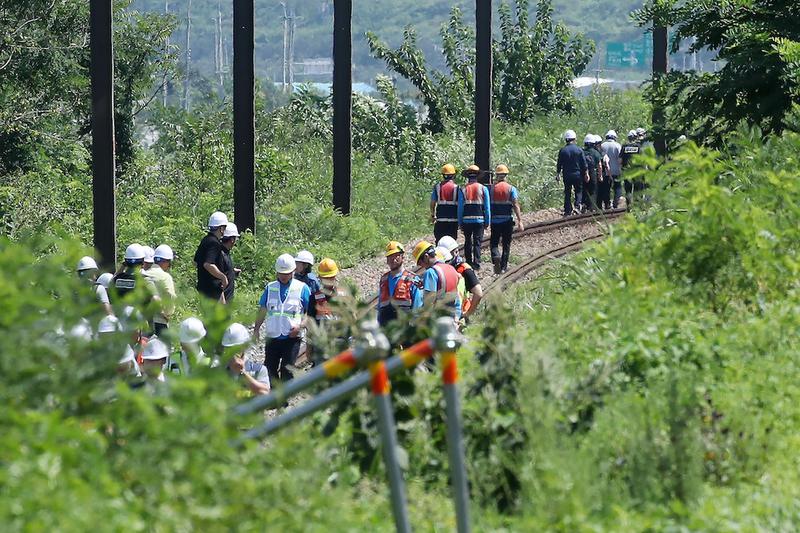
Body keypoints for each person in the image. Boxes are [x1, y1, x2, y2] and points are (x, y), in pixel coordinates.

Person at [254, 254, 311, 384]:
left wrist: (301, 326)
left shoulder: (302, 288)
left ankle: (284, 401)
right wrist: (256, 329)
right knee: (269, 368)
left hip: (291, 338)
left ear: (293, 271)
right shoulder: (270, 287)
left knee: (287, 371)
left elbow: (310, 312)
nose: (283, 276)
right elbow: (263, 309)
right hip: (272, 337)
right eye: (281, 273)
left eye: (286, 273)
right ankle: (274, 398)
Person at [412, 241, 462, 321]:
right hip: (453, 317)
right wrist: (457, 318)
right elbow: (456, 297)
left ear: (426, 256)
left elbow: (428, 304)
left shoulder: (430, 273)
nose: (421, 266)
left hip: (438, 320)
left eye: (420, 262)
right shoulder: (451, 269)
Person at [377, 241, 423, 327]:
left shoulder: (412, 279)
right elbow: (380, 305)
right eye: (390, 256)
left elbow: (418, 305)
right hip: (386, 327)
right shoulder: (384, 279)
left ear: (402, 257)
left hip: (404, 328)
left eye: (396, 256)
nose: (392, 259)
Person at [489, 164, 524, 274]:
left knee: (494, 243)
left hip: (495, 221)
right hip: (507, 221)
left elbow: (488, 205)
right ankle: (503, 267)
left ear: (497, 175)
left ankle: (496, 257)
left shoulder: (491, 189)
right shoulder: (511, 189)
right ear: (506, 175)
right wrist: (520, 220)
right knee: (506, 244)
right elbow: (515, 205)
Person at [438, 235, 483, 320]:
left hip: (461, 314)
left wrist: (467, 314)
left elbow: (478, 293)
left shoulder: (464, 269)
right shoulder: (446, 268)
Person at [457, 165, 491, 270]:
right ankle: (477, 262)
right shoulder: (483, 188)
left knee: (467, 241)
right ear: (477, 176)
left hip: (466, 220)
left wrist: (460, 222)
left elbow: (460, 208)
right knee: (477, 242)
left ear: (467, 176)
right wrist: (487, 221)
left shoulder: (463, 189)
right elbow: (487, 207)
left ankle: (468, 262)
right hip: (479, 219)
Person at [223, 322, 270, 395]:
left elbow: (265, 393)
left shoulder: (258, 370)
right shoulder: (220, 371)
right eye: (228, 348)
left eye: (236, 348)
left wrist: (242, 372)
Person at [194, 211, 229, 302]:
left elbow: (196, 261)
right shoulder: (214, 243)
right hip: (212, 291)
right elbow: (208, 264)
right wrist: (223, 277)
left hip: (206, 289)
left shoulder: (205, 240)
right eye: (224, 228)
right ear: (221, 228)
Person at [142, 244, 176, 337]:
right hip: (160, 322)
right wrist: (166, 315)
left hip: (144, 322)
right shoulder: (166, 277)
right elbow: (170, 297)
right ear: (165, 262)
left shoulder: (144, 274)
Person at [556, 130, 589, 216]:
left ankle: (567, 209)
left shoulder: (562, 151)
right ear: (574, 139)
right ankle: (577, 206)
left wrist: (558, 174)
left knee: (567, 192)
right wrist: (586, 173)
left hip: (566, 175)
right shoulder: (579, 150)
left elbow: (559, 164)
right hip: (577, 174)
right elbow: (584, 163)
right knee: (578, 191)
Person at [430, 164, 461, 242]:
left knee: (439, 241)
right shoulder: (457, 188)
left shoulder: (437, 187)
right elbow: (460, 205)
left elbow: (432, 203)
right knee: (451, 242)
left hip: (440, 219)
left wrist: (433, 215)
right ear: (453, 175)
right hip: (453, 220)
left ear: (443, 175)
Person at [314, 258, 348, 322]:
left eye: (331, 277)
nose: (328, 280)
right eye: (326, 278)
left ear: (335, 276)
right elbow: (310, 320)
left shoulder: (343, 294)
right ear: (320, 277)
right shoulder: (314, 298)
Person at [294, 250, 320, 319]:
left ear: (305, 265)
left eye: (297, 263)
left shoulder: (312, 281)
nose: (294, 265)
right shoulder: (292, 278)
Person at [601, 130, 623, 209]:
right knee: (617, 187)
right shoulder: (617, 145)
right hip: (616, 170)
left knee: (606, 188)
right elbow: (620, 158)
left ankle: (607, 204)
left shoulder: (602, 146)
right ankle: (616, 203)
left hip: (606, 171)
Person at [221, 223, 242, 304]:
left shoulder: (225, 252)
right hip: (223, 302)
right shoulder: (222, 255)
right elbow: (217, 281)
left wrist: (232, 271)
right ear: (232, 239)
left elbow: (223, 270)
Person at [582, 134, 603, 212]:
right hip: (593, 172)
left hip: (583, 173)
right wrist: (600, 175)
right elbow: (599, 165)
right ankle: (592, 207)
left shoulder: (582, 152)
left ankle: (584, 205)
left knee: (585, 189)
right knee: (593, 190)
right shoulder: (596, 153)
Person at [622, 130, 642, 206]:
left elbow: (620, 160)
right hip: (636, 171)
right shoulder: (638, 146)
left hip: (626, 170)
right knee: (637, 189)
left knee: (628, 189)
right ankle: (637, 205)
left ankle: (629, 205)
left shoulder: (624, 146)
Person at [594, 135, 612, 210]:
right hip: (604, 175)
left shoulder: (591, 153)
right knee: (606, 191)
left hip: (595, 175)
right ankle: (607, 204)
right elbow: (607, 165)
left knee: (598, 192)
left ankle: (598, 206)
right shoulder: (603, 154)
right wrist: (610, 175)